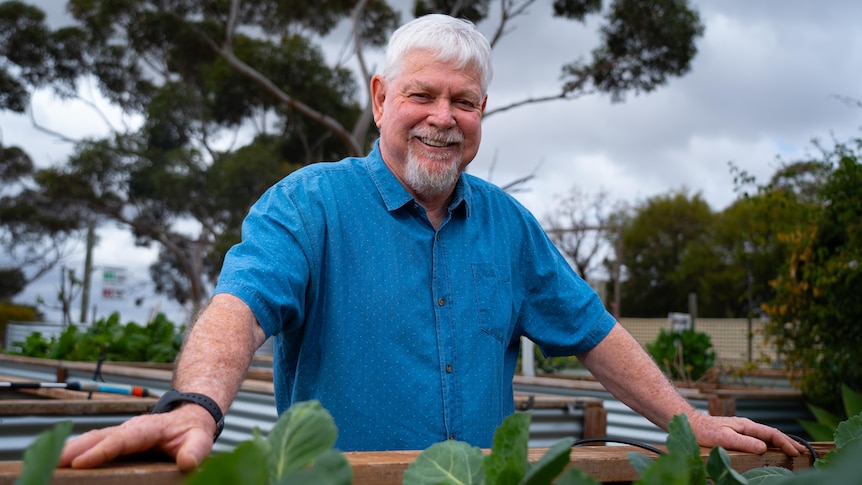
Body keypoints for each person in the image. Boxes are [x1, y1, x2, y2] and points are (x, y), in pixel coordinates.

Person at [59, 13, 805, 471]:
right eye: (421, 94)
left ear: (484, 111)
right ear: (381, 97)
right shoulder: (309, 203)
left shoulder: (509, 226)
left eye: (465, 101)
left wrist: (692, 420)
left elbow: (596, 332)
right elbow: (240, 307)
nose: (441, 117)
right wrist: (196, 404)